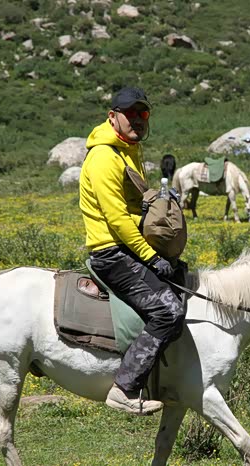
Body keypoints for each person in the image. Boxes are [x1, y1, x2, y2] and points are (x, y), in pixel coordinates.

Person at [79, 87, 186, 415]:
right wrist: (152, 256)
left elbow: (134, 204)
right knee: (168, 311)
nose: (138, 119)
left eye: (143, 113)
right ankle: (124, 389)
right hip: (112, 252)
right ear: (112, 116)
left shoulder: (130, 150)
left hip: (130, 246)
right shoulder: (104, 157)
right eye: (130, 113)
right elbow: (117, 219)